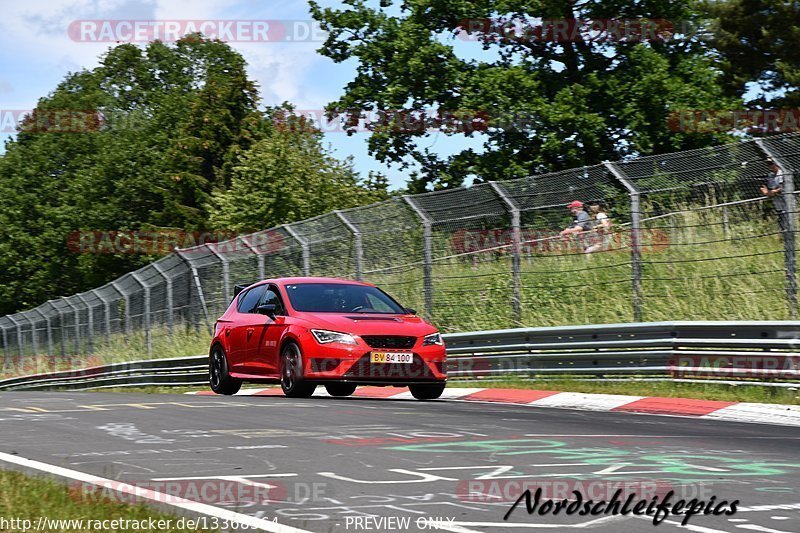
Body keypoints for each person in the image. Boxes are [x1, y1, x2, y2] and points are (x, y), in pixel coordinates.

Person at [761, 158, 788, 233]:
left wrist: (768, 192)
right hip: (778, 205)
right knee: (782, 227)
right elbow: (772, 190)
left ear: (776, 163)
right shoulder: (770, 175)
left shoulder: (781, 173)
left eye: (771, 163)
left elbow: (780, 189)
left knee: (788, 225)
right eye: (768, 164)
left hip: (786, 204)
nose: (770, 166)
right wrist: (768, 192)